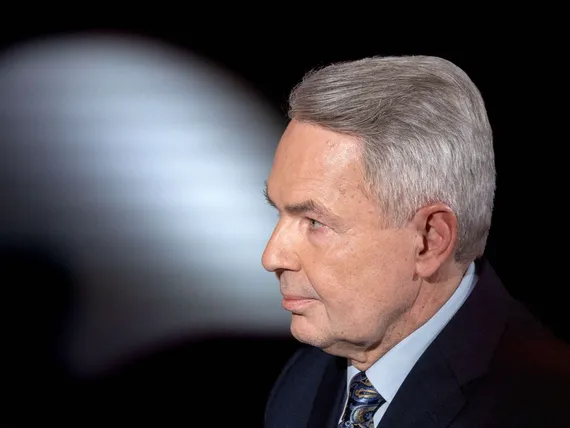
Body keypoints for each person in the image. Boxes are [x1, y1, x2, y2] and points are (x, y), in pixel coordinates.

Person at [261, 55, 570, 428]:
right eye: (278, 213)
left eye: (314, 222)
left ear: (429, 240)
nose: (272, 256)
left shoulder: (543, 405)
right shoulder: (304, 381)